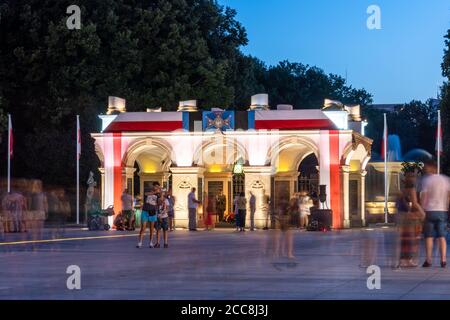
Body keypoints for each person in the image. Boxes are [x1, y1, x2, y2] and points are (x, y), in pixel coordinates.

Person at [420, 160, 450, 268]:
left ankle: (428, 260)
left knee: (429, 236)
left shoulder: (427, 180)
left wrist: (423, 209)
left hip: (430, 211)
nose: (425, 170)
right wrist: (447, 207)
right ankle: (443, 260)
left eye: (427, 168)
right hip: (442, 211)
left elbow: (424, 196)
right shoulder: (446, 180)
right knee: (442, 236)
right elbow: (448, 196)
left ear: (432, 168)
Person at [396, 174, 425, 267]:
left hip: (402, 216)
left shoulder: (403, 190)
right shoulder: (412, 189)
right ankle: (408, 260)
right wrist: (422, 212)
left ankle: (403, 260)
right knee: (410, 239)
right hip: (408, 217)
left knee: (405, 239)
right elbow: (415, 203)